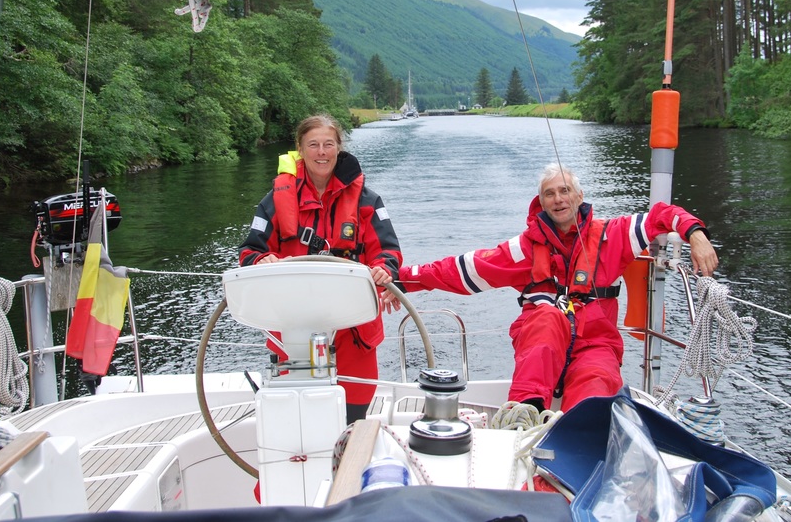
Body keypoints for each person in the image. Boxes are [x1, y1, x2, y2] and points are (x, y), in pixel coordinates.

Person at [395, 163, 718, 413]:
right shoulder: (523, 249)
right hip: (540, 340)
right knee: (546, 318)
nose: (558, 199)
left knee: (597, 385)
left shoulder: (613, 235)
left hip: (595, 342)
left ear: (579, 196)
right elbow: (463, 269)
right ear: (541, 201)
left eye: (564, 191)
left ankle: (582, 436)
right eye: (549, 193)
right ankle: (526, 413)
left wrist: (695, 234)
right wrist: (400, 280)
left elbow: (663, 215)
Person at [238, 115, 402, 423]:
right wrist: (262, 260)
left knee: (354, 413)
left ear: (339, 148)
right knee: (300, 412)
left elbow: (388, 251)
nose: (321, 152)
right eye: (313, 145)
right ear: (300, 149)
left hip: (353, 323)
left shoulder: (367, 200)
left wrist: (383, 270)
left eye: (328, 144)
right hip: (294, 324)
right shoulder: (274, 201)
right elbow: (249, 251)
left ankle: (347, 459)